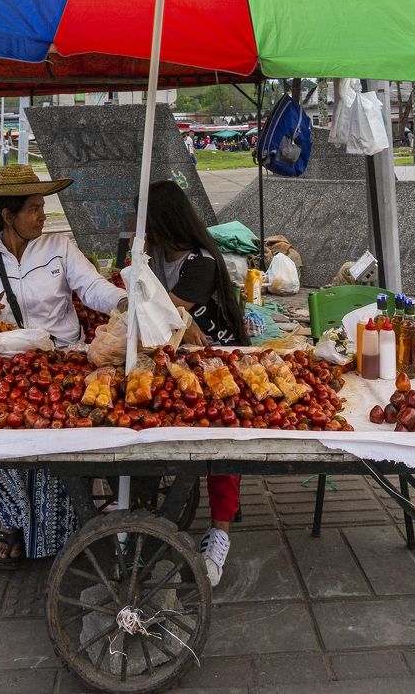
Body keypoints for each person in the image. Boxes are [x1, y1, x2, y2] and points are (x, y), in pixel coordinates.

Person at [0, 164, 127, 568]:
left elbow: (92, 286)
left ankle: (50, 533)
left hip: (62, 361)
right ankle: (13, 520)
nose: (42, 215)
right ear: (7, 216)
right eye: (33, 208)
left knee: (53, 438)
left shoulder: (59, 248)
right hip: (3, 367)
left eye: (42, 206)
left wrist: (121, 300)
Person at [144, 179, 250, 587]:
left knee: (221, 439)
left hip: (219, 361)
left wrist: (182, 320)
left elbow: (162, 308)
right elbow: (139, 298)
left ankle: (219, 531)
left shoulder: (201, 262)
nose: (142, 231)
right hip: (175, 361)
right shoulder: (152, 255)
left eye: (147, 223)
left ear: (164, 223)